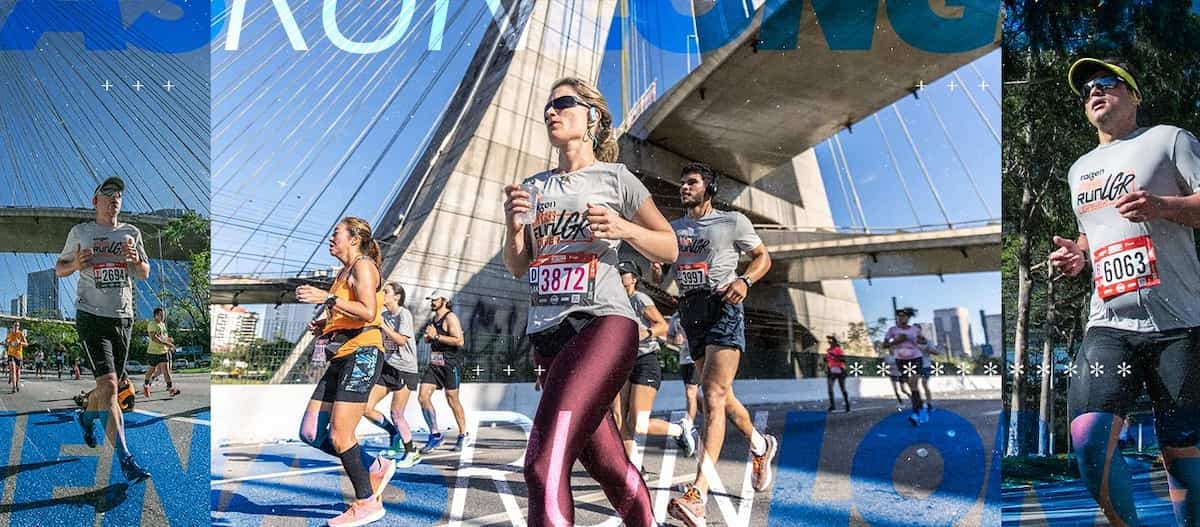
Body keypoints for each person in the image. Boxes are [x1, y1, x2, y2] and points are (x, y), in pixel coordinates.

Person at [501, 76, 677, 526]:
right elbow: (519, 266)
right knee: (608, 467)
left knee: (543, 465)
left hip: (603, 323)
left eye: (562, 103)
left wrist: (624, 230)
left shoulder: (616, 178)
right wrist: (514, 226)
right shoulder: (534, 186)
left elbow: (670, 247)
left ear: (592, 117)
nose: (550, 112)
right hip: (548, 336)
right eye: (548, 106)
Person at [1048, 57, 1200, 527]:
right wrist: (1078, 253)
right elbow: (1096, 234)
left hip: (1180, 325)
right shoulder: (1080, 170)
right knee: (1089, 440)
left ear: (1134, 95)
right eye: (1087, 89)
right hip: (1109, 324)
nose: (1094, 91)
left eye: (1107, 83)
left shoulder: (1168, 139)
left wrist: (1164, 205)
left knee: (1183, 454)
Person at [657, 162, 777, 527]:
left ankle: (698, 493)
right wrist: (655, 267)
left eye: (691, 182)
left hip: (723, 307)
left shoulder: (733, 222)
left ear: (709, 188)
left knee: (711, 395)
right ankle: (760, 444)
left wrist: (745, 281)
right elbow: (661, 269)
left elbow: (763, 258)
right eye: (682, 183)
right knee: (722, 396)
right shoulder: (672, 229)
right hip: (691, 313)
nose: (684, 187)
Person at [294, 216, 395, 526]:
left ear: (353, 239)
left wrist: (327, 298)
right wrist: (326, 325)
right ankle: (374, 466)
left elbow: (368, 312)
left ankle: (367, 503)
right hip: (341, 356)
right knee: (311, 432)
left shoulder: (364, 266)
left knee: (340, 434)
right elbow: (346, 312)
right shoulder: (342, 273)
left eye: (335, 233)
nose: (330, 238)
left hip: (363, 353)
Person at [54, 176, 151, 482]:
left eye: (118, 194)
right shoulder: (80, 232)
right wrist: (76, 264)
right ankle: (126, 460)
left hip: (122, 317)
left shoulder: (131, 232)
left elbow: (144, 273)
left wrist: (136, 261)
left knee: (105, 388)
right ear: (95, 201)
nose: (114, 198)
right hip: (91, 314)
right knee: (110, 386)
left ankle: (85, 417)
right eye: (107, 193)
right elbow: (60, 268)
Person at [611, 261, 697, 465]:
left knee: (639, 424)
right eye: (618, 272)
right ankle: (632, 466)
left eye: (624, 273)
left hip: (644, 361)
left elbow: (662, 325)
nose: (620, 276)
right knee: (618, 417)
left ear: (634, 279)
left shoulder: (639, 298)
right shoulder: (614, 301)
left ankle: (678, 430)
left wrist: (646, 333)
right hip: (623, 361)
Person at [362, 281, 422, 467]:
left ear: (396, 297)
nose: (382, 294)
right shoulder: (383, 315)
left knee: (397, 413)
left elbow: (401, 341)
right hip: (387, 367)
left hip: (405, 368)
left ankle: (412, 452)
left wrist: (382, 326)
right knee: (365, 407)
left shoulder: (403, 314)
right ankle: (394, 433)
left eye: (386, 291)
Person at [416, 291, 469, 454]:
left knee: (452, 399)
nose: (432, 302)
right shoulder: (434, 319)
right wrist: (428, 337)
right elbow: (432, 337)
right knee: (423, 396)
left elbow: (460, 341)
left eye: (435, 300)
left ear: (444, 300)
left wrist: (436, 336)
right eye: (431, 300)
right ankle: (435, 435)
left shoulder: (450, 318)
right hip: (434, 363)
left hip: (449, 363)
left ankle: (463, 434)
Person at [883, 307, 927, 426]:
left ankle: (915, 414)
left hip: (915, 358)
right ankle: (921, 409)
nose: (902, 318)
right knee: (913, 388)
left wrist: (922, 340)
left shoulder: (914, 329)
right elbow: (884, 345)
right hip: (901, 360)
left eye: (904, 316)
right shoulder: (892, 330)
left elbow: (922, 341)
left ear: (908, 318)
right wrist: (896, 341)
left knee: (913, 385)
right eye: (899, 316)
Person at [668, 312, 702, 426]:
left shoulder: (699, 311)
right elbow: (668, 337)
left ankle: (688, 424)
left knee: (690, 392)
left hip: (697, 357)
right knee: (694, 394)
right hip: (684, 359)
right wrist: (675, 340)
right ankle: (710, 415)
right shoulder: (676, 317)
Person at [143, 307, 180, 398]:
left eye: (163, 315)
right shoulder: (152, 324)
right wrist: (168, 344)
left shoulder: (162, 324)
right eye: (161, 315)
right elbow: (154, 338)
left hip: (163, 351)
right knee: (152, 370)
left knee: (166, 371)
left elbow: (163, 336)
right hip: (153, 352)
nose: (163, 316)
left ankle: (171, 389)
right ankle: (146, 385)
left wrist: (169, 340)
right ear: (155, 315)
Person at [825, 336, 849, 413]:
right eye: (828, 341)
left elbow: (843, 359)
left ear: (834, 342)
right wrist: (826, 359)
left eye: (830, 341)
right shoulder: (828, 350)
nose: (829, 342)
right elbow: (829, 361)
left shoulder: (838, 349)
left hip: (840, 371)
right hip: (831, 371)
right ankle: (832, 406)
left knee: (842, 388)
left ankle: (847, 404)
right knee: (830, 388)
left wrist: (834, 356)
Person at [916, 334, 938, 410]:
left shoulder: (928, 342)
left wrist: (926, 349)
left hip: (926, 365)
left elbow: (936, 352)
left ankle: (929, 403)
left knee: (924, 383)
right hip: (915, 366)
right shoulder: (912, 342)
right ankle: (919, 402)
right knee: (914, 385)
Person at [6, 322, 27, 392]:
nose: (16, 326)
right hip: (11, 354)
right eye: (15, 325)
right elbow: (6, 341)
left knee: (17, 371)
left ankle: (17, 384)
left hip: (19, 355)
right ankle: (14, 387)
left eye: (18, 325)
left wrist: (20, 342)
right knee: (13, 369)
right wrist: (8, 342)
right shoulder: (10, 334)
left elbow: (26, 344)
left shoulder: (21, 334)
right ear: (12, 326)